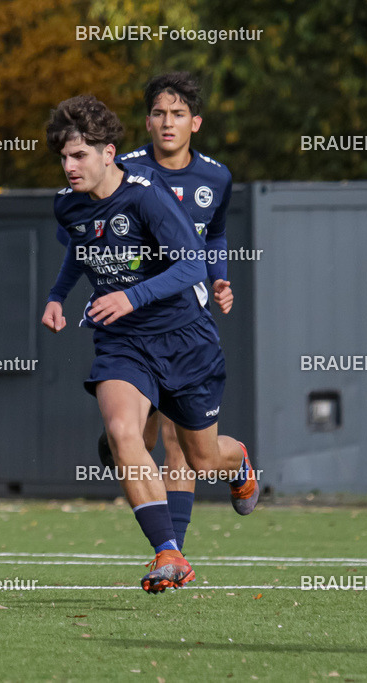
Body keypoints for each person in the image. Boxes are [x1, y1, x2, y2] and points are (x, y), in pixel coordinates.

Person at [41, 95, 258, 593]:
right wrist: (57, 296)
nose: (69, 166)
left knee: (201, 459)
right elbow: (81, 245)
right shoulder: (67, 203)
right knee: (122, 432)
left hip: (185, 339)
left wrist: (130, 296)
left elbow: (191, 267)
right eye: (64, 157)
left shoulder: (147, 197)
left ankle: (238, 460)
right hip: (122, 343)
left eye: (79, 156)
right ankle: (169, 554)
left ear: (109, 152)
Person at [93, 72, 236, 552]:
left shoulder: (216, 177)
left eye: (177, 114)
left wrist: (217, 276)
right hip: (130, 324)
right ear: (147, 121)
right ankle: (167, 549)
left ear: (195, 122)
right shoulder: (125, 170)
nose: (167, 122)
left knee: (190, 450)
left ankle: (174, 549)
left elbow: (212, 235)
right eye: (158, 113)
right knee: (138, 438)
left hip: (185, 319)